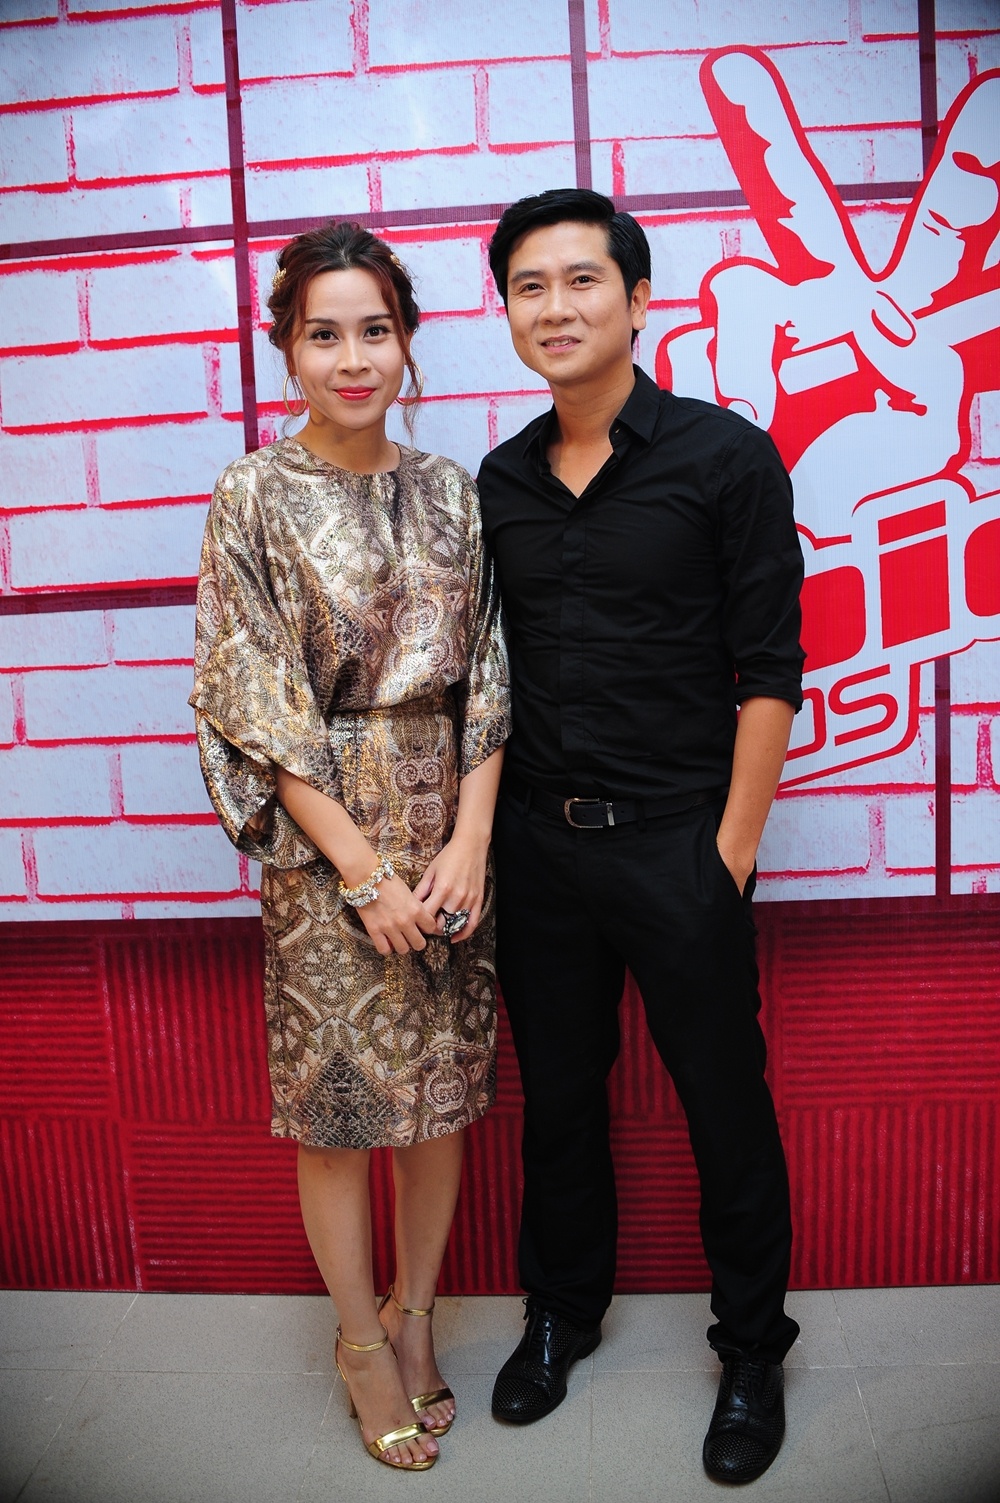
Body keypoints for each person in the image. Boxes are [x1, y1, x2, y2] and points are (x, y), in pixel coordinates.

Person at [477, 188, 804, 1485]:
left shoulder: (725, 458)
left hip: (679, 845)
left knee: (725, 1103)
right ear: (507, 311)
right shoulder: (499, 480)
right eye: (529, 286)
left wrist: (728, 854)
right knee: (558, 1102)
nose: (555, 307)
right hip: (537, 850)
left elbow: (768, 672)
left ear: (638, 298)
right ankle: (561, 1313)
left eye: (581, 280)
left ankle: (752, 1349)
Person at [190, 221, 509, 1472]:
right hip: (323, 833)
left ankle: (416, 1316)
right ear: (287, 349)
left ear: (408, 339)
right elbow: (256, 700)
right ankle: (359, 1341)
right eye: (324, 334)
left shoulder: (451, 491)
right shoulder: (253, 495)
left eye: (375, 329)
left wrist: (470, 841)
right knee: (338, 1111)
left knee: (438, 1099)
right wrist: (362, 873)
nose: (353, 357)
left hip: (448, 826)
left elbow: (487, 675)